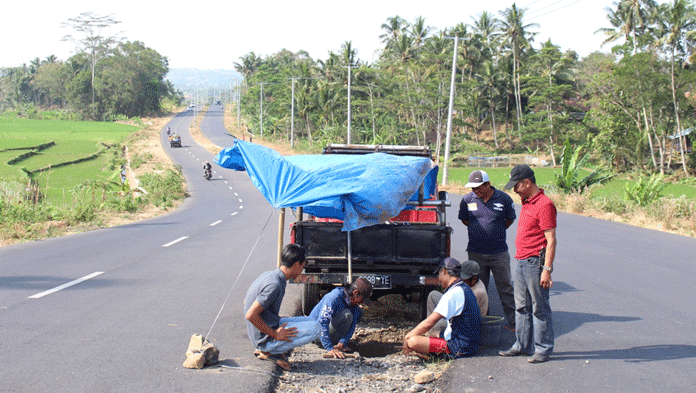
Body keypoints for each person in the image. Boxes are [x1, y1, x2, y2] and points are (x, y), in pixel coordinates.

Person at [499, 164, 557, 364]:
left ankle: (543, 349)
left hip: (534, 262)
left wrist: (547, 270)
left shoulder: (544, 204)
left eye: (516, 185)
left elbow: (551, 240)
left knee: (539, 307)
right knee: (521, 306)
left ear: (527, 182)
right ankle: (522, 345)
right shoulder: (526, 201)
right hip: (521, 260)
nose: (514, 189)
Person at [244, 244, 321, 370]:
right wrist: (274, 334)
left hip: (267, 327)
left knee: (313, 321)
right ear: (296, 264)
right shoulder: (274, 284)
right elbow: (250, 315)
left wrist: (271, 318)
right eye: (302, 266)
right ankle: (270, 351)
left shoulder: (270, 275)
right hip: (264, 339)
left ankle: (271, 347)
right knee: (316, 328)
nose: (302, 270)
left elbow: (246, 301)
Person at [458, 169, 517, 330]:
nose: (475, 191)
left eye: (479, 188)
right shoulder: (467, 200)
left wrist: (494, 230)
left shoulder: (503, 199)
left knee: (505, 288)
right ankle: (481, 323)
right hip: (476, 252)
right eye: (473, 188)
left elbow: (509, 219)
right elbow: (465, 220)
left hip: (499, 253)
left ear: (488, 184)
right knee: (478, 289)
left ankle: (514, 323)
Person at [403, 257, 480, 359]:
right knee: (432, 334)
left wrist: (407, 337)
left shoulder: (453, 293)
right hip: (469, 344)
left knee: (412, 342)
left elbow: (429, 323)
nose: (439, 279)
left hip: (459, 347)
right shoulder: (464, 288)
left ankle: (435, 356)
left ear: (443, 271)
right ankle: (431, 353)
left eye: (439, 274)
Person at [310, 278, 373, 359]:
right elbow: (322, 322)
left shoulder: (352, 302)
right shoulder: (333, 298)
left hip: (326, 331)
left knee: (358, 312)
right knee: (347, 315)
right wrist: (330, 347)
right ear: (355, 292)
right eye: (362, 299)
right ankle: (329, 343)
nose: (362, 302)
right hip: (315, 334)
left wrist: (342, 343)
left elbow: (352, 325)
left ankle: (336, 343)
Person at [426, 260, 488, 337]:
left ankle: (436, 334)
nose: (461, 280)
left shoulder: (477, 292)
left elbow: (460, 315)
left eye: (464, 279)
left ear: (474, 279)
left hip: (467, 323)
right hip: (459, 311)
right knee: (433, 295)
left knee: (436, 323)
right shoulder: (470, 284)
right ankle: (432, 331)